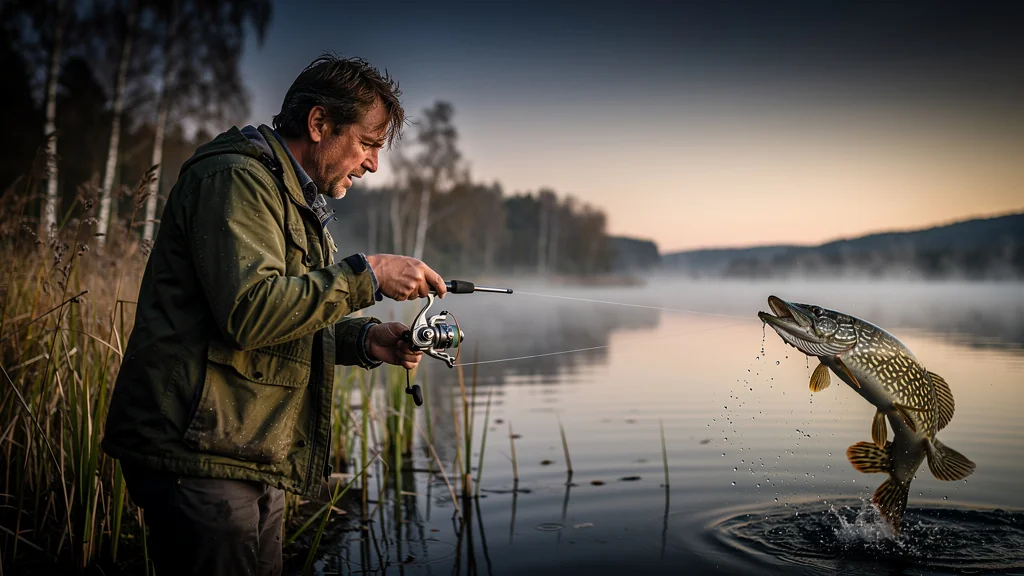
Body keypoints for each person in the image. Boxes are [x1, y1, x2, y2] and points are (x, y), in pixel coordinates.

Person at [101, 55, 446, 576]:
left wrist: (366, 340)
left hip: (246, 447)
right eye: (369, 143)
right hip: (199, 452)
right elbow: (249, 312)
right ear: (319, 123)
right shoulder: (234, 179)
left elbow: (286, 314)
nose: (374, 164)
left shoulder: (292, 200)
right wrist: (368, 274)